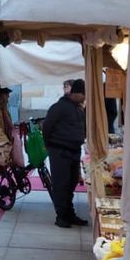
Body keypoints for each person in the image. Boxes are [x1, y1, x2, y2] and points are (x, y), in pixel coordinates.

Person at [44, 77, 88, 228]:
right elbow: (47, 127)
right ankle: (61, 216)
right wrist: (49, 145)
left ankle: (69, 213)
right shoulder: (59, 107)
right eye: (83, 94)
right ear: (76, 93)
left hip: (74, 150)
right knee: (61, 185)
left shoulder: (78, 108)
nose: (85, 98)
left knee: (71, 183)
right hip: (60, 151)